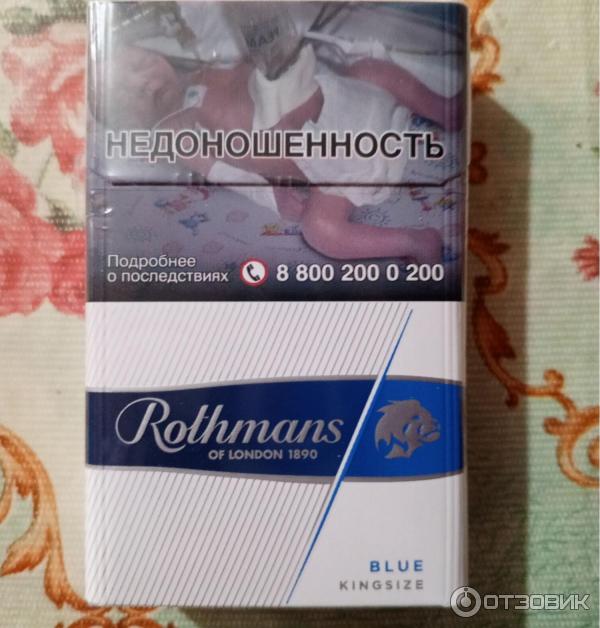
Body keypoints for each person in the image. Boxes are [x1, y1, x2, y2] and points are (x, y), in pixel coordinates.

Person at [101, 42, 463, 263]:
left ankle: (442, 107)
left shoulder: (203, 66)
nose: (143, 81)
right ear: (133, 125)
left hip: (350, 100)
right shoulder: (176, 130)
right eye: (128, 95)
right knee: (320, 230)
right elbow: (226, 172)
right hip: (338, 165)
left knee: (365, 69)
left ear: (154, 52)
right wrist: (270, 195)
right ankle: (413, 240)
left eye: (138, 64)